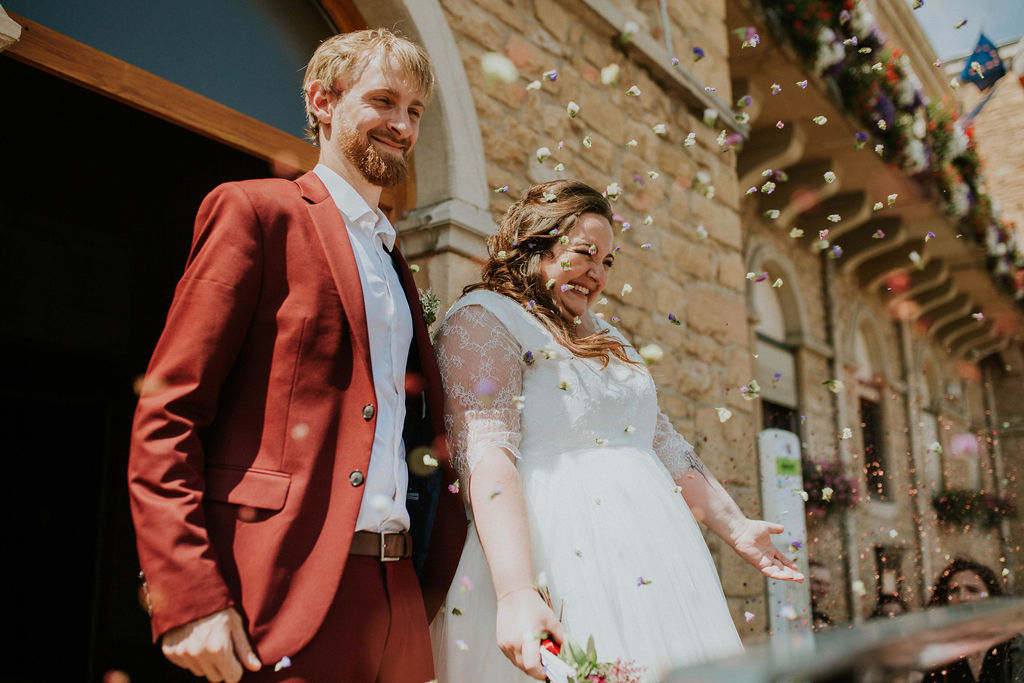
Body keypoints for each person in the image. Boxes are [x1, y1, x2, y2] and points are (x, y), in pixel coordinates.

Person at [127, 29, 465, 683]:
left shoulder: (395, 260)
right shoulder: (257, 213)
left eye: (415, 111)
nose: (402, 124)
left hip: (398, 596)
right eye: (384, 100)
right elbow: (168, 412)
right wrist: (186, 593)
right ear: (323, 100)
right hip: (286, 587)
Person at [429, 180, 804, 681]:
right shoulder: (484, 320)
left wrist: (735, 528)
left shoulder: (607, 335)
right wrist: (517, 591)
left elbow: (658, 437)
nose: (598, 273)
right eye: (585, 253)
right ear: (534, 244)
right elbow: (488, 457)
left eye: (607, 261)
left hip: (651, 560)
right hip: (554, 557)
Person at [922, 558, 1020, 682]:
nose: (963, 598)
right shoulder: (941, 655)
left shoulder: (1013, 646)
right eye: (954, 591)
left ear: (992, 597)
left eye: (972, 590)